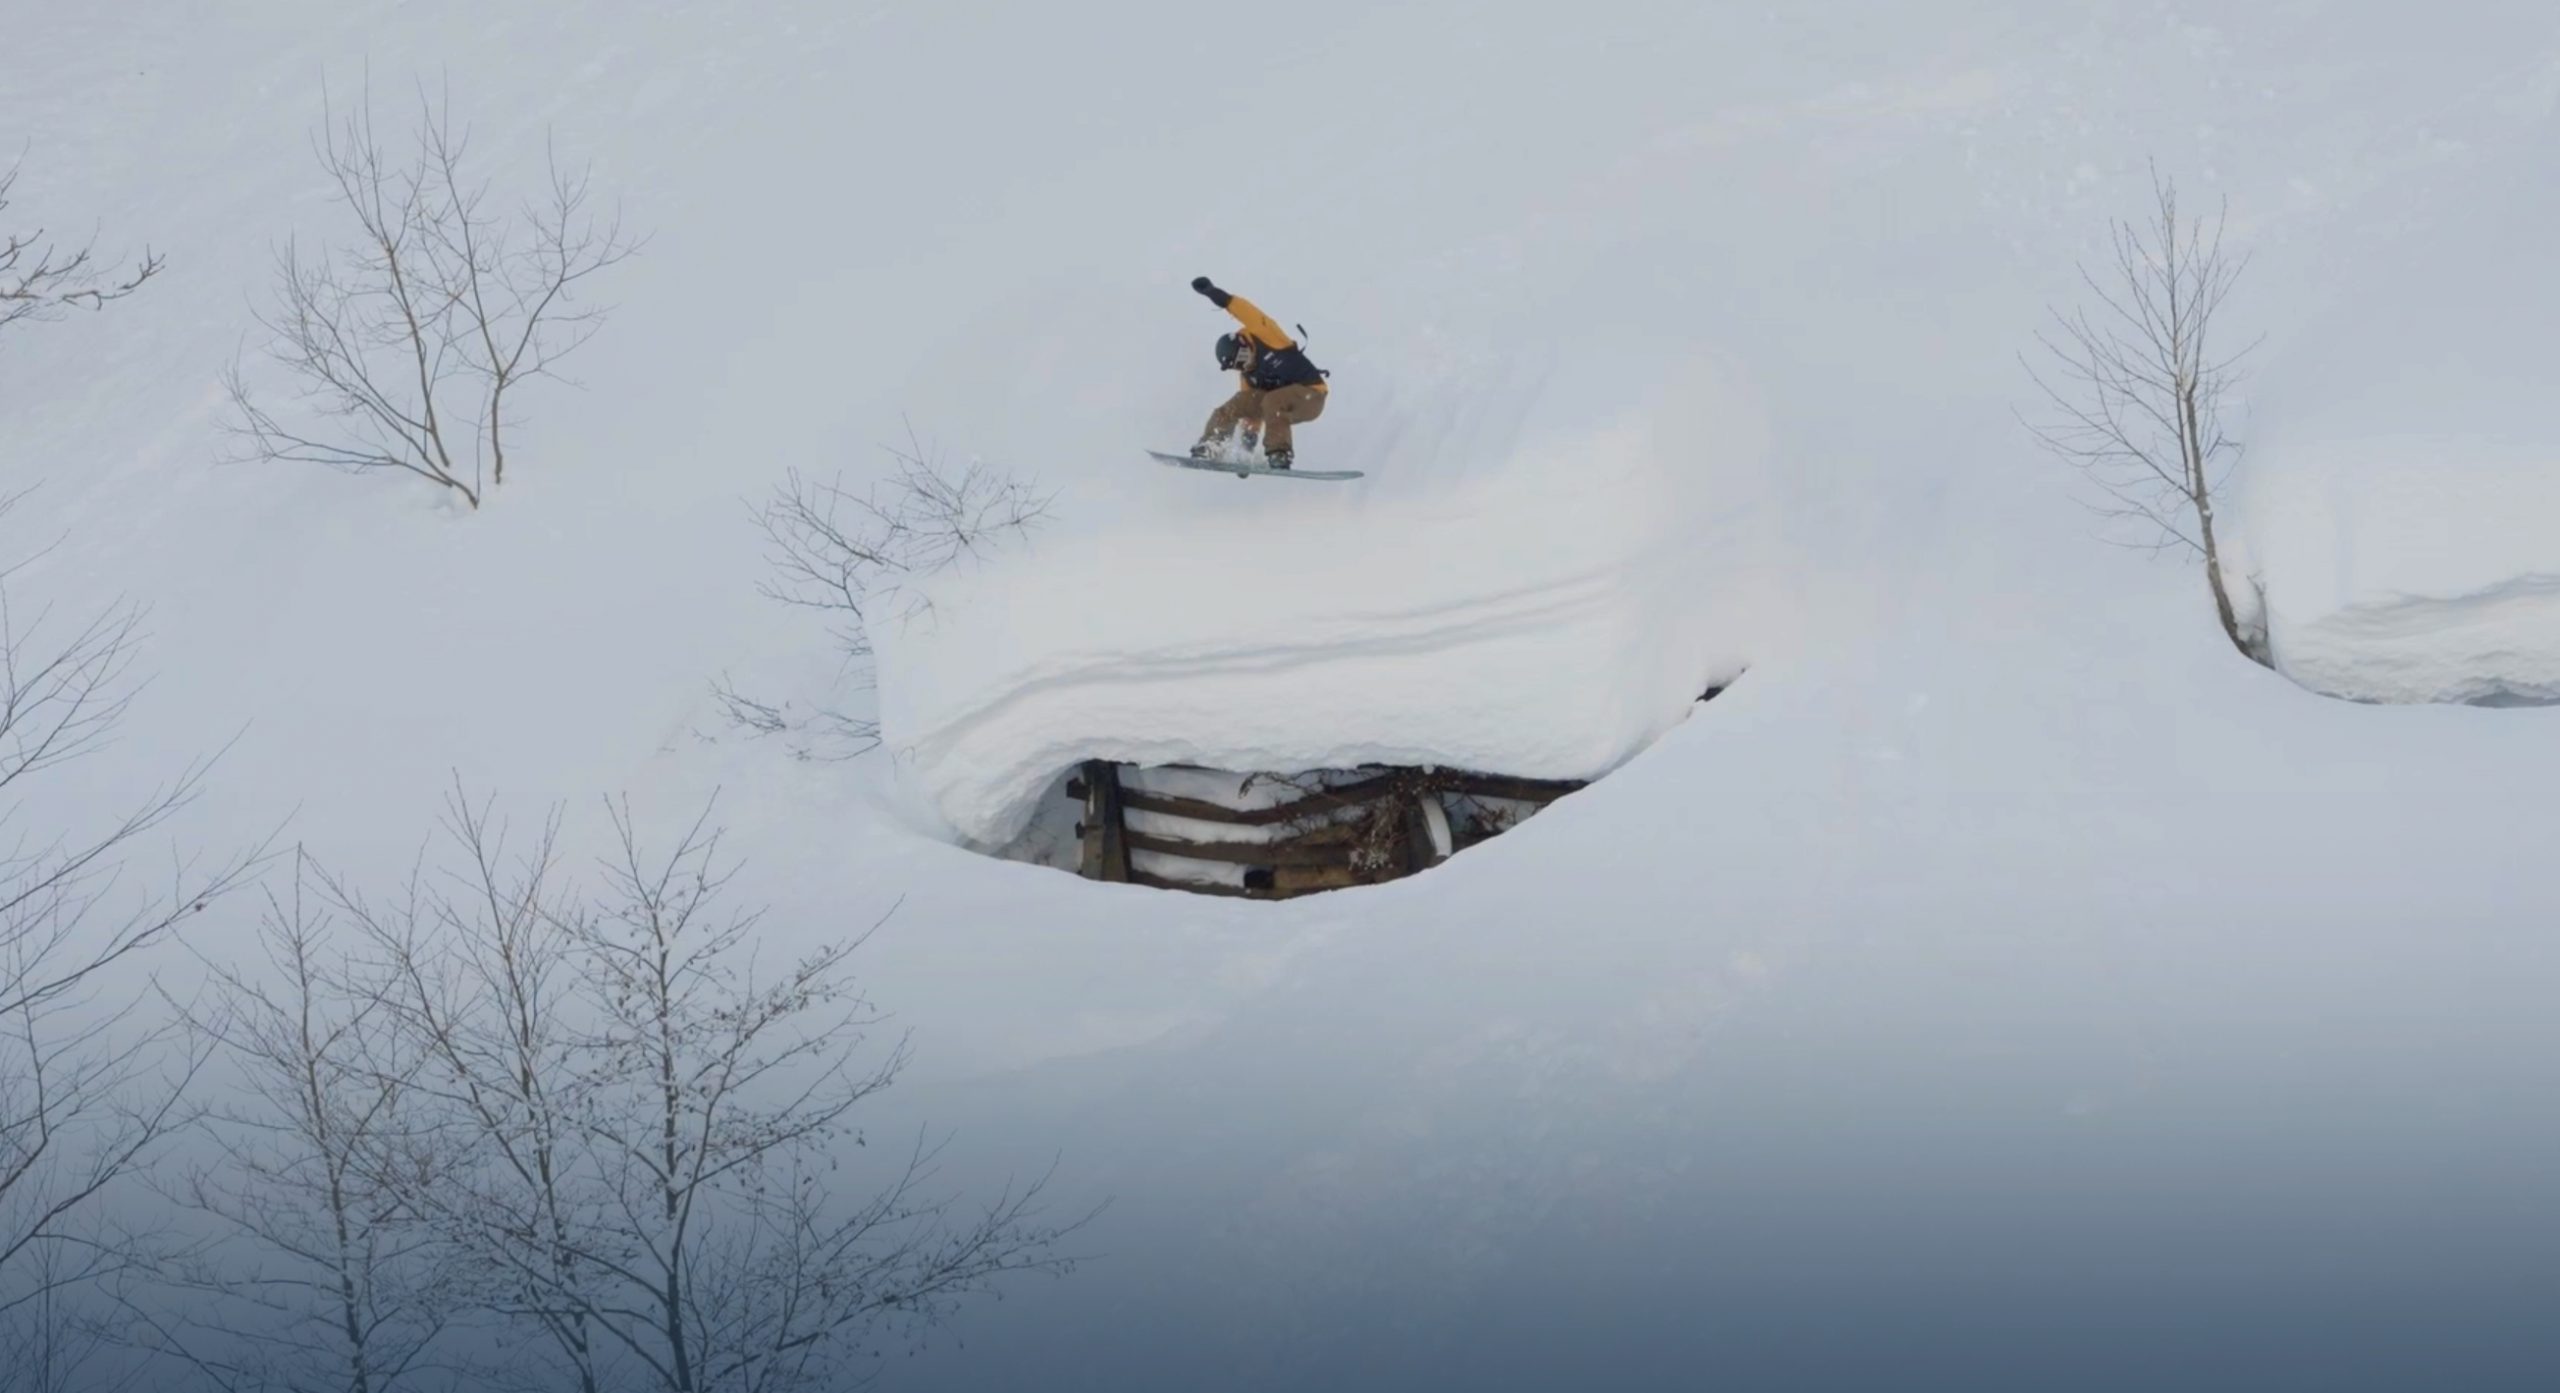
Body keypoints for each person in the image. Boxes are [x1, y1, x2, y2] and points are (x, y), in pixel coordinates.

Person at [1189, 276, 1327, 469]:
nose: (1244, 365)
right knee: (1239, 403)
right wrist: (1246, 455)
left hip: (1311, 395)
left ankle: (1280, 453)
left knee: (1272, 401)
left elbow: (1244, 310)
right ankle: (1212, 445)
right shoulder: (1248, 372)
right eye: (1238, 365)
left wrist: (1214, 293)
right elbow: (1252, 414)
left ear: (1245, 343)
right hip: (1277, 403)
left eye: (1243, 357)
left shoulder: (1266, 335)